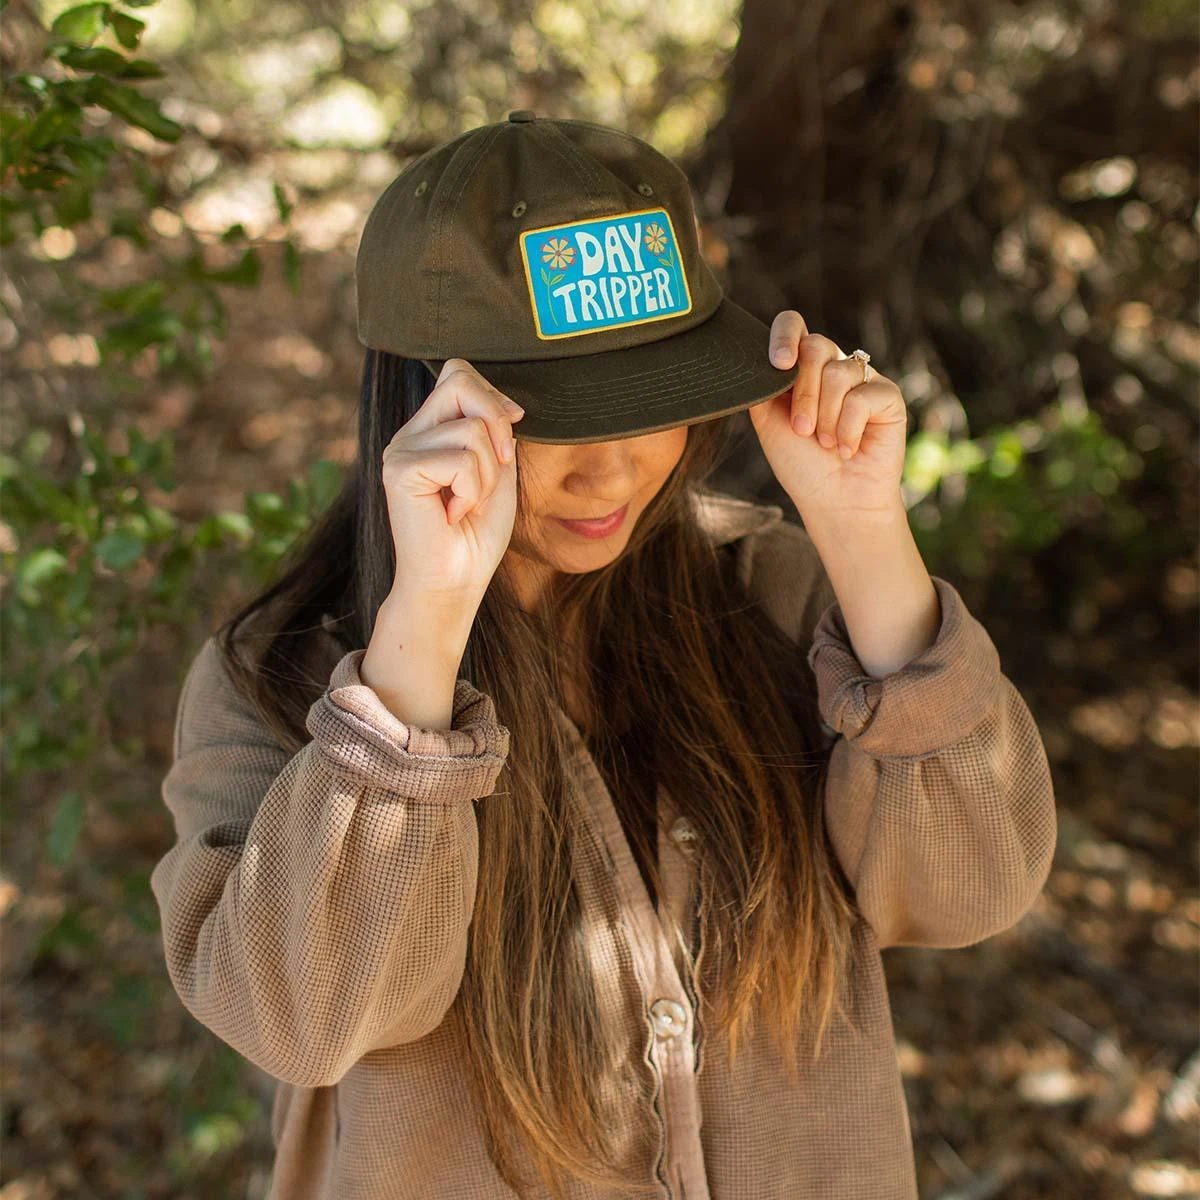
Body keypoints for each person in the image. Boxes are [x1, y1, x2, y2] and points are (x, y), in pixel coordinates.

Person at [149, 112, 1057, 1200]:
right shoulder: (274, 678)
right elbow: (301, 1021)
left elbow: (972, 889)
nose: (614, 471)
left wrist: (863, 531)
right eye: (558, 416)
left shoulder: (771, 595)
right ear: (420, 403)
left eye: (655, 399)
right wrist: (426, 625)